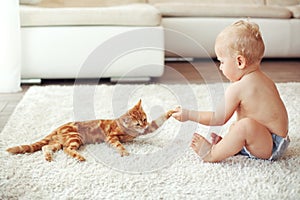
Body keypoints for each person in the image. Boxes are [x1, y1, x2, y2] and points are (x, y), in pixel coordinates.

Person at [172, 20, 290, 162]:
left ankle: (212, 154)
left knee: (244, 126)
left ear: (240, 62)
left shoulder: (239, 87)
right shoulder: (265, 80)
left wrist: (188, 114)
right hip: (272, 139)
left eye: (222, 61)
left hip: (269, 145)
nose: (220, 67)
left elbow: (218, 118)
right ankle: (231, 146)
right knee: (238, 125)